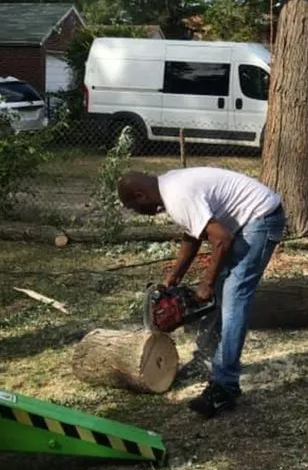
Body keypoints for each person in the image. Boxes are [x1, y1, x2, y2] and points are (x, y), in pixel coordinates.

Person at [117, 167, 286, 418]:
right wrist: (174, 277)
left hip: (261, 217)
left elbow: (221, 239)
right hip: (249, 218)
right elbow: (193, 236)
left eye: (134, 207)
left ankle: (224, 388)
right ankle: (208, 358)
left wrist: (206, 283)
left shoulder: (176, 196)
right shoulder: (169, 185)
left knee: (233, 297)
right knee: (223, 293)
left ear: (141, 195)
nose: (138, 212)